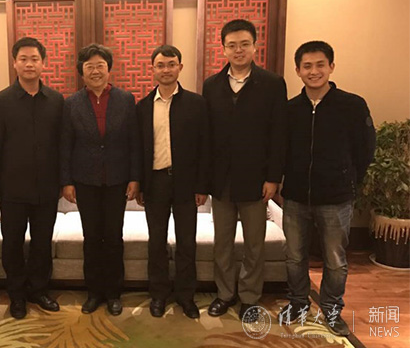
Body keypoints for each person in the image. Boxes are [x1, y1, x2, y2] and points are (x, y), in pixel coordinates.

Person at [279, 41, 375, 336]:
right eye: (307, 66)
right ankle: (298, 303)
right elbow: (281, 150)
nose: (314, 71)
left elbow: (365, 149)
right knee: (295, 256)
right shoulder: (290, 109)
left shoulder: (352, 105)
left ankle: (332, 310)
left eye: (320, 64)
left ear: (331, 66)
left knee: (335, 260)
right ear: (298, 70)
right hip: (296, 196)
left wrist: (349, 180)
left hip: (336, 198)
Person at [202, 19, 287, 322]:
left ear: (254, 46)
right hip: (221, 180)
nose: (238, 50)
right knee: (222, 243)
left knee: (254, 244)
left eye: (244, 44)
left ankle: (250, 297)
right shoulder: (211, 85)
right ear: (223, 49)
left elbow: (278, 135)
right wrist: (205, 180)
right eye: (232, 45)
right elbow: (207, 136)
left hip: (256, 179)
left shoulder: (272, 84)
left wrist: (273, 178)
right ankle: (225, 294)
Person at [0, 37, 64, 320]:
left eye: (35, 59)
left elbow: (62, 145)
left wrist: (63, 182)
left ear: (43, 63)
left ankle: (39, 290)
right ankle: (16, 295)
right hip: (12, 189)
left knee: (42, 243)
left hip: (47, 189)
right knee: (12, 245)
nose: (29, 64)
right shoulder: (1, 101)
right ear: (15, 63)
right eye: (24, 59)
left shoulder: (56, 101)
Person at [61, 43, 141, 316]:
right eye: (89, 67)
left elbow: (134, 142)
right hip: (85, 181)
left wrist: (134, 178)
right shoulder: (71, 103)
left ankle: (114, 293)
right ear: (81, 72)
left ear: (109, 69)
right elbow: (65, 145)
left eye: (100, 66)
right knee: (92, 238)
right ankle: (94, 292)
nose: (95, 71)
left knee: (114, 237)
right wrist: (67, 181)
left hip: (117, 180)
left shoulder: (125, 99)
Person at [136, 45, 210, 319]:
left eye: (171, 64)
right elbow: (138, 149)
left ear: (180, 67)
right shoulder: (143, 107)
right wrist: (140, 184)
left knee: (186, 242)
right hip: (155, 183)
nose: (165, 70)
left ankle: (186, 296)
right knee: (156, 242)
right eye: (160, 65)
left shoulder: (196, 104)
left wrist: (202, 186)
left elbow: (205, 146)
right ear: (152, 69)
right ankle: (158, 294)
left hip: (186, 184)